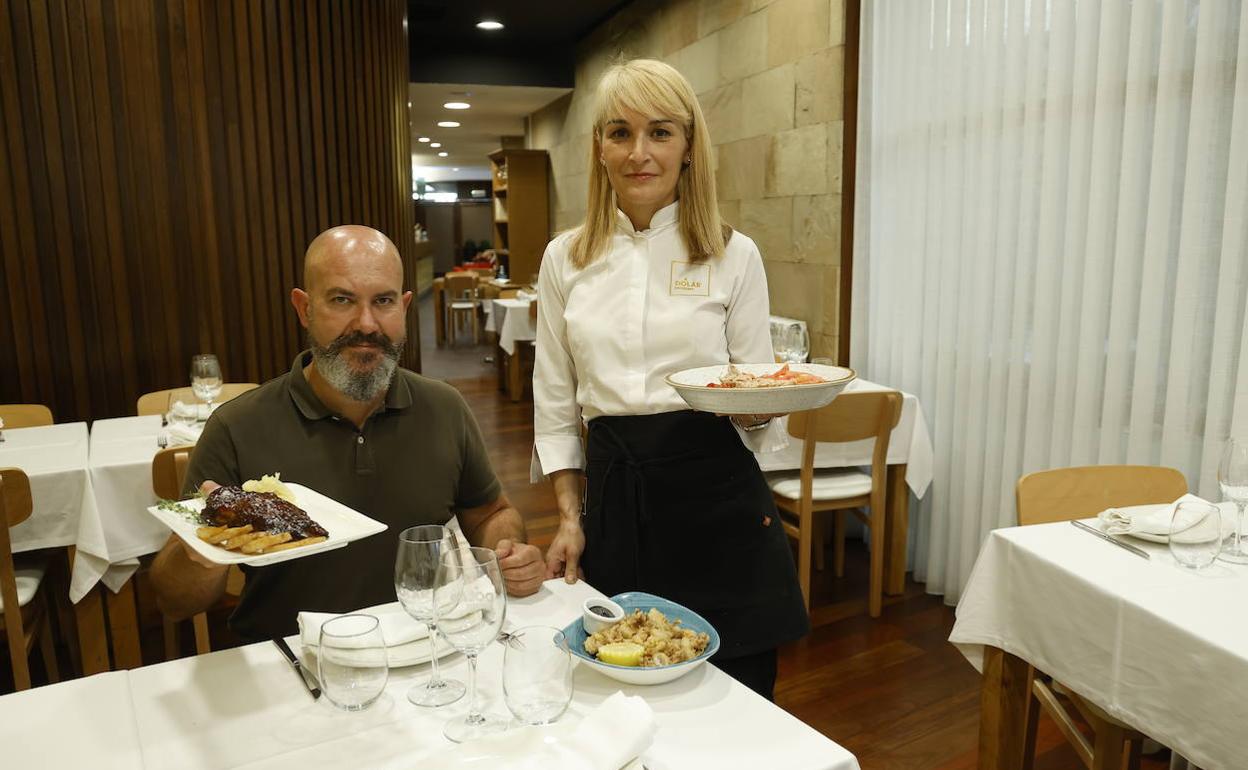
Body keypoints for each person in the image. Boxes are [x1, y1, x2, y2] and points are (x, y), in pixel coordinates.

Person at [533, 59, 808, 700]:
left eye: (660, 132)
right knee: (622, 681)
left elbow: (755, 393)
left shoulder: (734, 253)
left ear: (688, 147)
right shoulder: (564, 257)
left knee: (738, 692)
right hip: (616, 496)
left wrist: (763, 407)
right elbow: (554, 403)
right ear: (599, 147)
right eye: (620, 133)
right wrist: (570, 518)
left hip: (717, 494)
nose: (639, 152)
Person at [151, 225, 545, 642]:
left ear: (404, 308)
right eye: (342, 300)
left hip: (422, 649)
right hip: (291, 660)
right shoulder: (236, 426)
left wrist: (509, 553)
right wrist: (200, 558)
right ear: (304, 309)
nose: (367, 324)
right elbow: (174, 601)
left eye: (384, 301)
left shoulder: (444, 407)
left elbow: (491, 514)